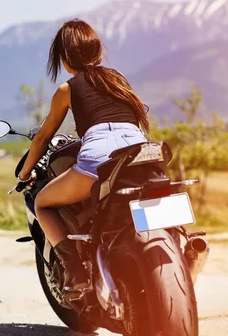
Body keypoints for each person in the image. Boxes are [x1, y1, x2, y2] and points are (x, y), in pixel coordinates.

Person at [18, 19, 149, 293]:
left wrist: (24, 172)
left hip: (98, 157)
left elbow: (42, 137)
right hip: (138, 150)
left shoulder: (67, 90)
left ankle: (74, 269)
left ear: (65, 59)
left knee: (42, 204)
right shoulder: (117, 79)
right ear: (98, 52)